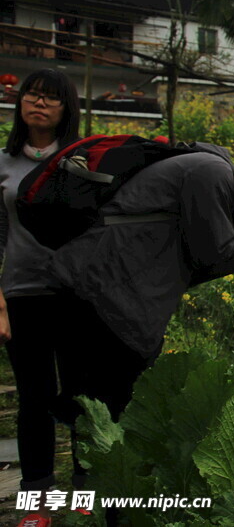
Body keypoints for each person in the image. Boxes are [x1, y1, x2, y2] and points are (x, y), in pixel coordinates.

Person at [51, 144, 234, 419]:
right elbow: (215, 254)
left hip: (118, 302)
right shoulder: (213, 173)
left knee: (104, 417)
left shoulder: (219, 184)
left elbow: (197, 265)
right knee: (95, 416)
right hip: (101, 296)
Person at [0, 69, 82, 522]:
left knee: (83, 396)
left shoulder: (83, 160)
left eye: (52, 97)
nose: (39, 103)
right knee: (34, 400)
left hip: (77, 296)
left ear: (66, 109)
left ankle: (89, 493)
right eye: (32, 94)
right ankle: (37, 501)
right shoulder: (3, 163)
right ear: (20, 103)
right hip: (22, 294)